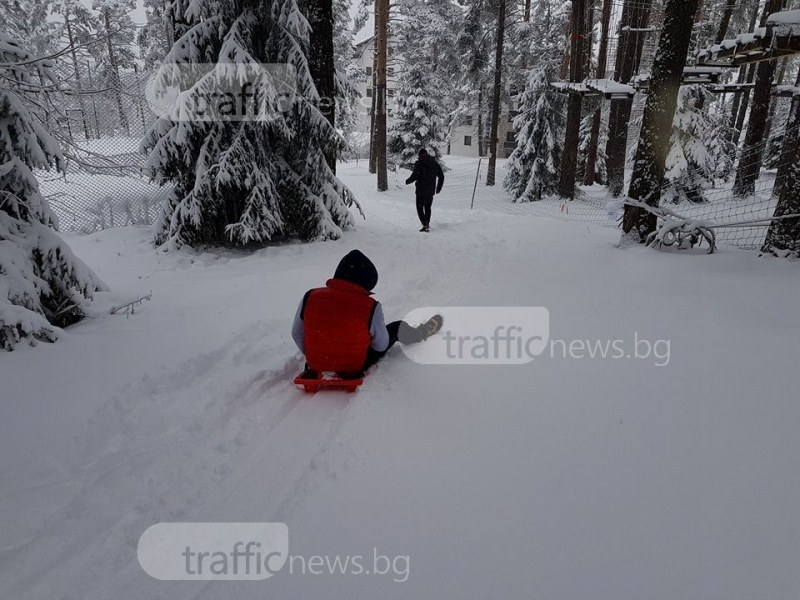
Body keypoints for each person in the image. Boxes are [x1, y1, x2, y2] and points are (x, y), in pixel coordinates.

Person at [291, 250, 442, 378]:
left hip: (315, 362)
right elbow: (381, 345)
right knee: (397, 327)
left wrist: (315, 353)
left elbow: (296, 333)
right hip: (353, 367)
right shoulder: (370, 306)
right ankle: (422, 332)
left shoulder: (310, 296)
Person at [405, 148, 444, 232]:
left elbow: (414, 176)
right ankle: (426, 224)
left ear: (419, 156)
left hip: (420, 190)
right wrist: (438, 188)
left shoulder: (419, 164)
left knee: (419, 208)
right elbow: (441, 176)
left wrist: (407, 181)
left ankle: (425, 223)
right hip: (430, 190)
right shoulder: (434, 163)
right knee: (427, 207)